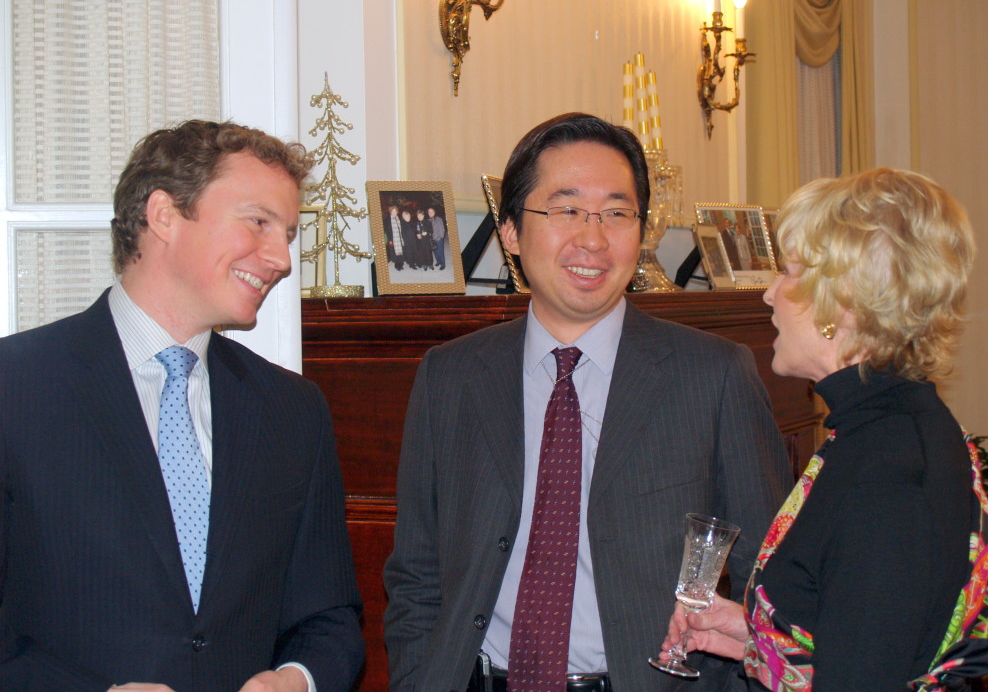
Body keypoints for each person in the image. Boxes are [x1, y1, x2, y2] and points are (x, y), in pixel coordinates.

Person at [383, 112, 793, 692]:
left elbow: (768, 577)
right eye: (566, 209)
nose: (594, 238)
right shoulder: (450, 375)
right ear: (511, 234)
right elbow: (417, 575)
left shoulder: (713, 374)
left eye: (618, 213)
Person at [0, 120, 365, 692]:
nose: (281, 258)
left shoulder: (293, 410)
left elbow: (329, 617)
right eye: (259, 222)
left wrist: (296, 679)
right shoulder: (15, 388)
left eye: (287, 234)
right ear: (165, 215)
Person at [660, 168, 988, 691]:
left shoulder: (889, 470)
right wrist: (759, 640)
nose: (771, 294)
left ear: (840, 301)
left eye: (790, 272)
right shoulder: (884, 431)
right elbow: (869, 639)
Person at [386, 204, 407, 271]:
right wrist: (390, 240)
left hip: (399, 238)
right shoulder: (388, 219)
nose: (394, 212)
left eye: (395, 211)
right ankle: (397, 266)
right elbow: (387, 230)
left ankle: (401, 264)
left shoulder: (398, 218)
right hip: (393, 239)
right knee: (395, 252)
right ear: (390, 212)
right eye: (393, 211)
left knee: (400, 252)